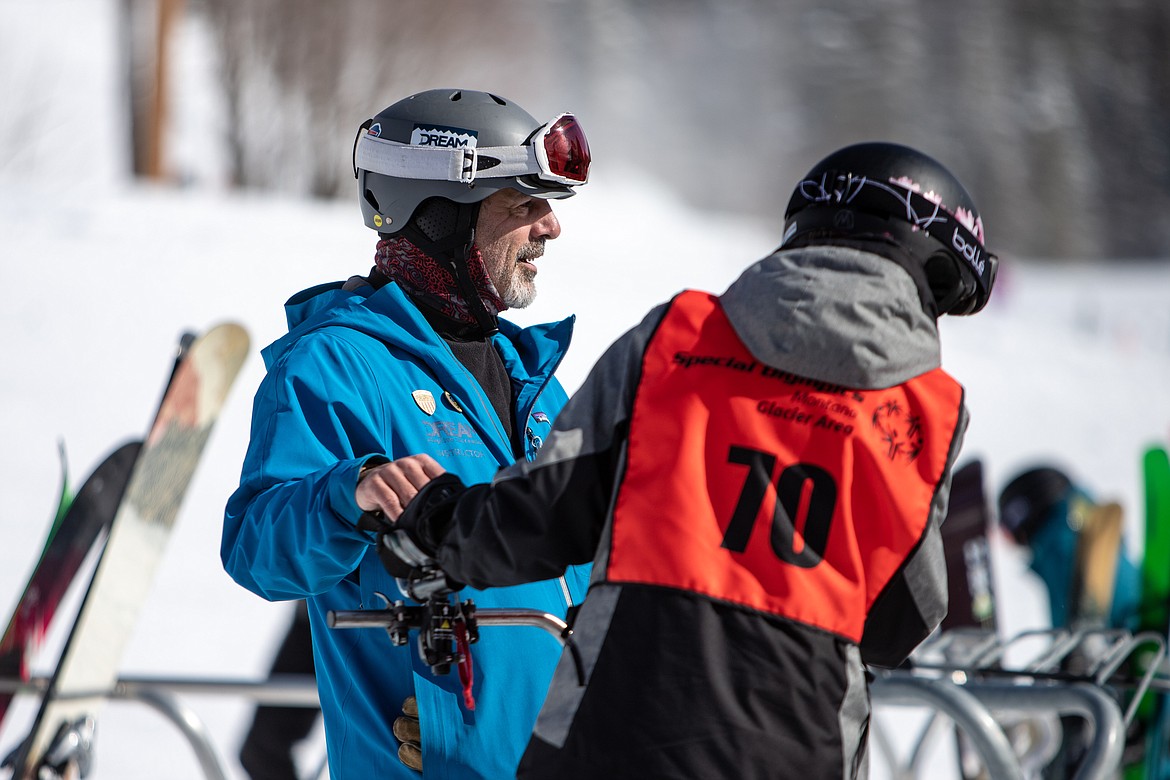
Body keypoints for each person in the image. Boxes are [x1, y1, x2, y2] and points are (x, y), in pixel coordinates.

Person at [381, 142, 999, 779]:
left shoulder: (678, 337)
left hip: (612, 740)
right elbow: (904, 619)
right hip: (796, 749)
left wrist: (436, 525)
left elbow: (544, 510)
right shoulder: (928, 412)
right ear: (935, 277)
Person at [221, 88, 593, 779]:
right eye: (523, 204)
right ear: (440, 217)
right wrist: (350, 493)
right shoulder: (337, 364)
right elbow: (257, 546)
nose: (550, 228)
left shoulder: (534, 380)